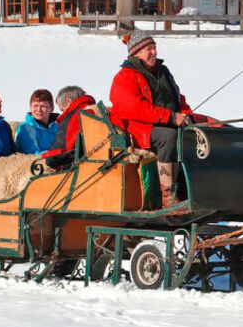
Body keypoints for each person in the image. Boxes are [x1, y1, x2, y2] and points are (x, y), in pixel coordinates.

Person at [109, 31, 209, 208]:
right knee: (168, 136)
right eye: (149, 49)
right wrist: (169, 117)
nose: (154, 52)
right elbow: (134, 108)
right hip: (136, 128)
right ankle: (168, 195)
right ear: (136, 52)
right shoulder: (124, 77)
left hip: (166, 121)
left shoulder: (163, 72)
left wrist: (186, 114)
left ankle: (191, 190)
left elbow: (177, 97)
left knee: (194, 133)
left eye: (154, 48)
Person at [49, 85, 97, 154]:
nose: (62, 114)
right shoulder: (99, 112)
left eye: (63, 110)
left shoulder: (72, 118)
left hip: (85, 163)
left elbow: (54, 155)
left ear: (68, 101)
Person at [15, 89, 59, 154]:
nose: (38, 110)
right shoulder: (26, 128)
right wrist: (59, 154)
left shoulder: (58, 127)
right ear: (30, 108)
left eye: (43, 106)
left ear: (52, 108)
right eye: (35, 106)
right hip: (38, 163)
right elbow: (32, 154)